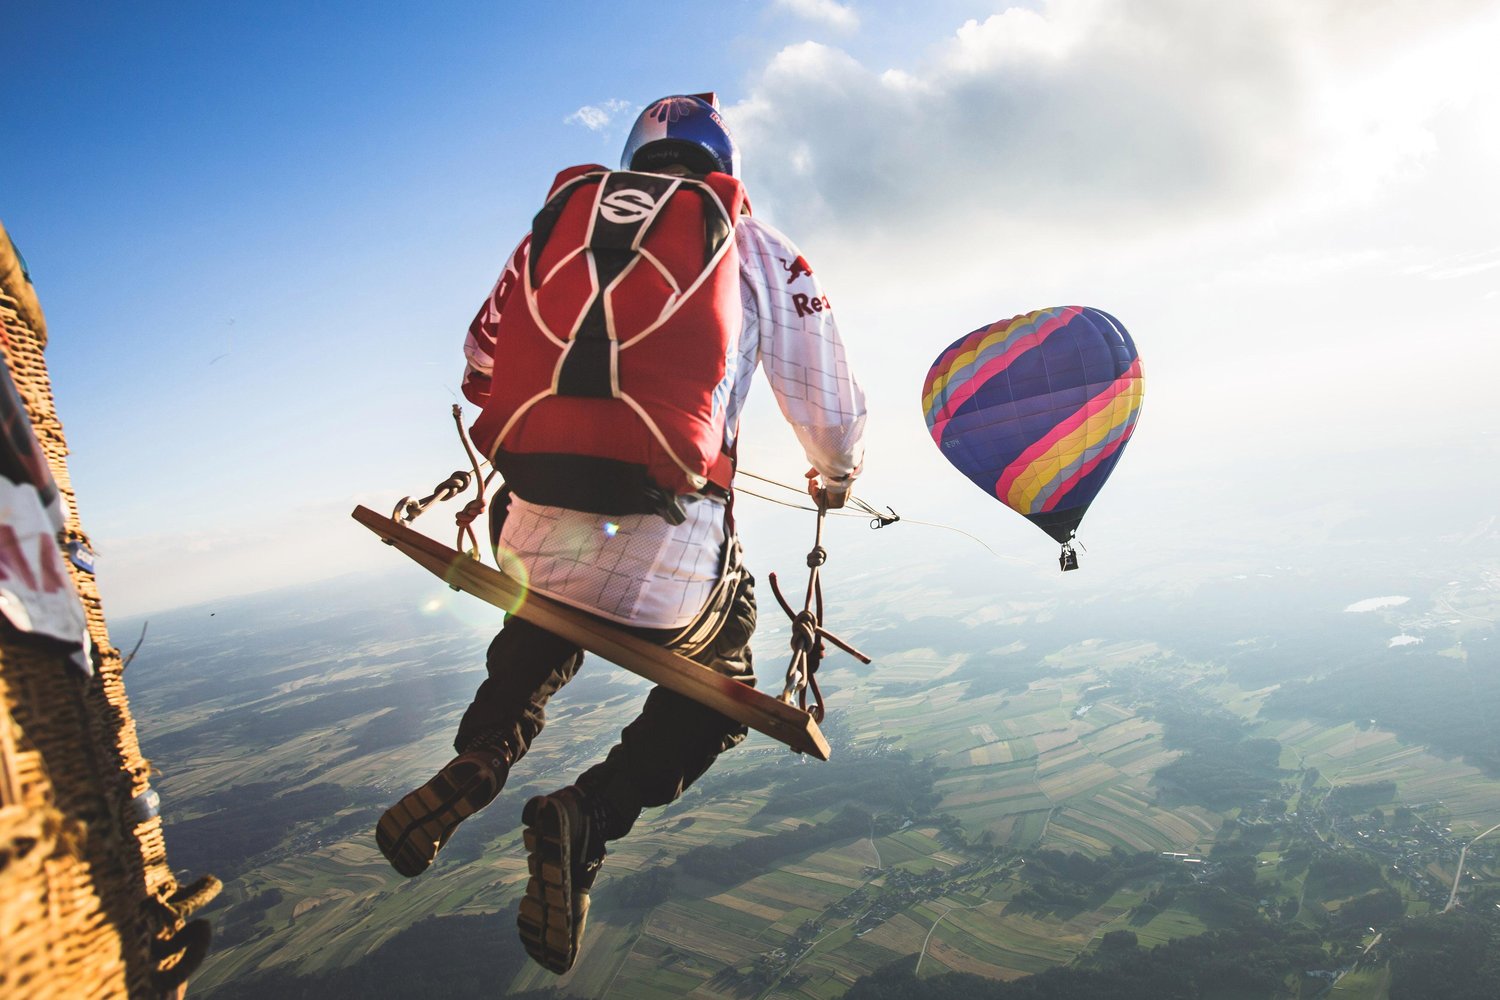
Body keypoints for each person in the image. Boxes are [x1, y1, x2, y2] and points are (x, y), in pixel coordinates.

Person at [375, 93, 866, 975]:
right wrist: (835, 476)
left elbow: (481, 361)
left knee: (548, 602)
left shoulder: (556, 227)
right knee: (726, 675)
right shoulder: (756, 244)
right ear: (724, 165)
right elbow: (828, 406)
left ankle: (485, 752)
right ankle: (592, 814)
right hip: (668, 563)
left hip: (530, 534)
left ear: (636, 156)